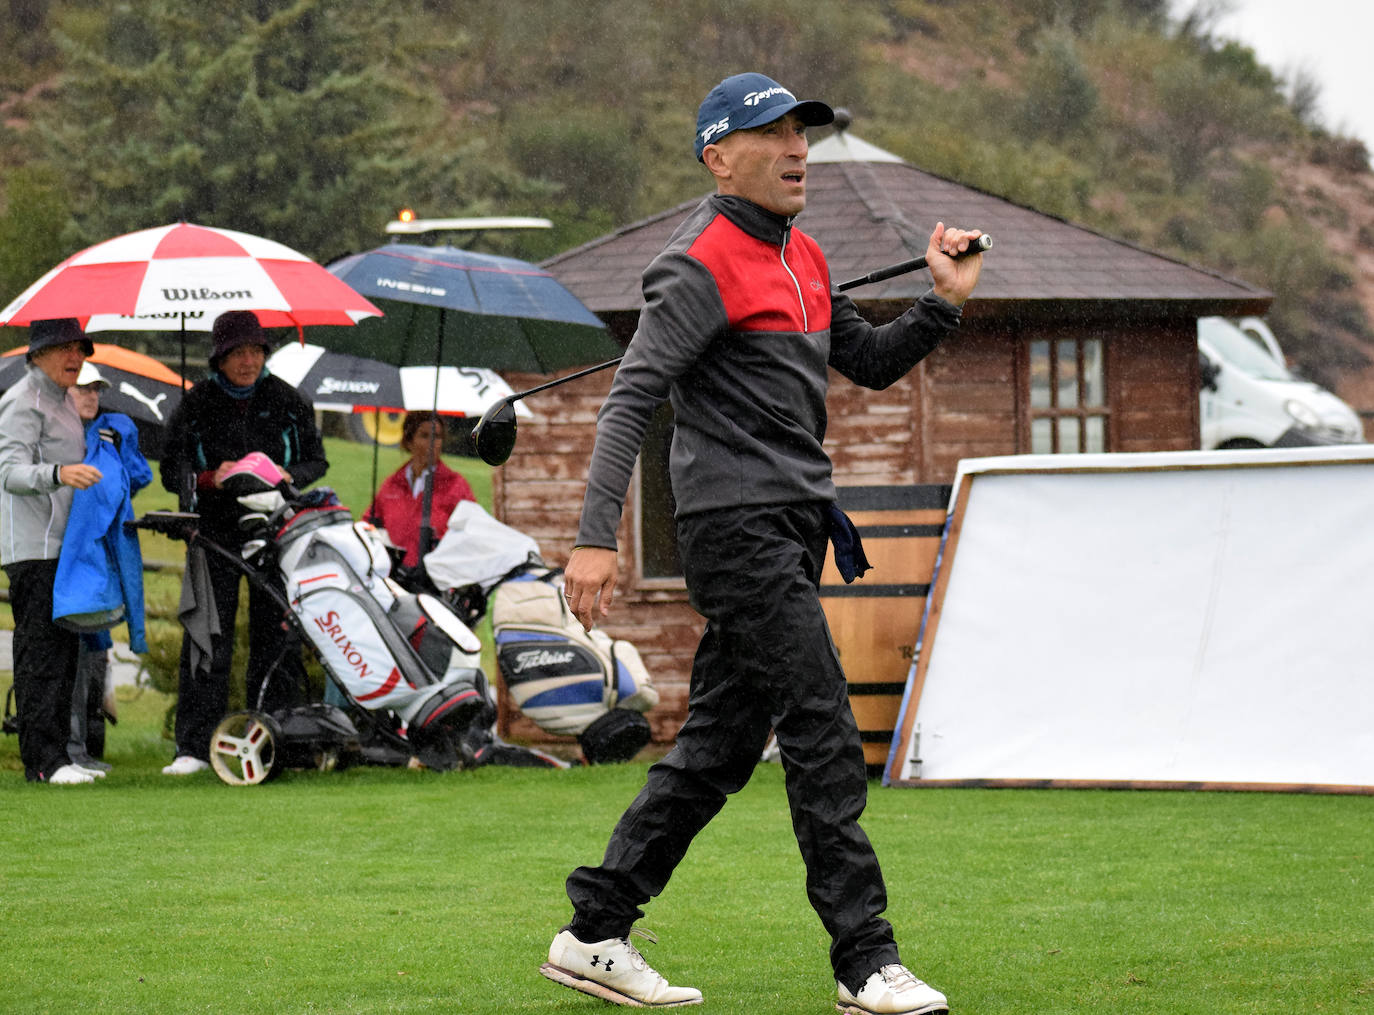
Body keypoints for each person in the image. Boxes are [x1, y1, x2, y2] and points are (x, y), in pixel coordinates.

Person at [542, 73, 984, 1014]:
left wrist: (941, 302)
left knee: (716, 751)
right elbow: (630, 399)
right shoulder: (696, 263)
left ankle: (593, 931)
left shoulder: (808, 259)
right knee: (823, 723)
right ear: (718, 155)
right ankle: (865, 959)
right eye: (772, 134)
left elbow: (864, 361)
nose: (796, 150)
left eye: (803, 134)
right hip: (733, 529)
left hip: (790, 527)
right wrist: (593, 541)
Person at [158, 310, 328, 775]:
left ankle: (279, 739)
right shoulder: (196, 404)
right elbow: (172, 471)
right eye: (238, 353)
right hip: (214, 533)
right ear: (220, 358)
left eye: (255, 351)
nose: (248, 361)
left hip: (277, 531)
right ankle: (192, 747)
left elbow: (317, 462)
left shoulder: (289, 400)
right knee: (208, 638)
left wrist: (287, 477)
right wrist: (212, 477)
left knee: (277, 638)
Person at [0, 318, 104, 784]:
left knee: (64, 653)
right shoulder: (23, 401)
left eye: (80, 349)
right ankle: (43, 762)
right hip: (32, 549)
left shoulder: (63, 400)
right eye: (63, 348)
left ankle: (62, 755)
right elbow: (9, 473)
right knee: (40, 653)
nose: (75, 358)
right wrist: (59, 473)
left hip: (62, 546)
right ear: (36, 353)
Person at [63, 362, 153, 773]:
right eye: (83, 389)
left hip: (98, 563)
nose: (91, 396)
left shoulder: (109, 434)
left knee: (93, 649)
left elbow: (136, 478)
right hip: (65, 559)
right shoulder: (58, 437)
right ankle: (69, 748)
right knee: (70, 654)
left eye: (96, 389)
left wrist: (121, 446)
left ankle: (82, 748)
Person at [364, 410, 476, 568]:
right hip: (393, 576)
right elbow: (368, 525)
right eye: (424, 436)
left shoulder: (456, 486)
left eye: (437, 437)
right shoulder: (391, 485)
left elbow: (472, 534)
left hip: (436, 578)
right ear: (409, 441)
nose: (433, 443)